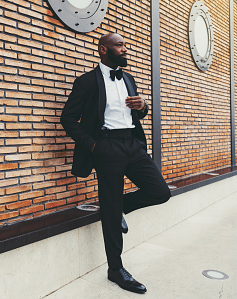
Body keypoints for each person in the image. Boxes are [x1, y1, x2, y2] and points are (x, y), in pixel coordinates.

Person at [60, 33, 171, 294]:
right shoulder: (86, 82)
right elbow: (68, 118)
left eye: (124, 45)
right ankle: (116, 269)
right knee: (109, 211)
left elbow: (138, 113)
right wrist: (94, 146)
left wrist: (143, 106)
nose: (124, 49)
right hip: (106, 147)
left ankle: (120, 207)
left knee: (160, 192)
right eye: (119, 45)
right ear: (103, 50)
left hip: (132, 145)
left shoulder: (128, 78)